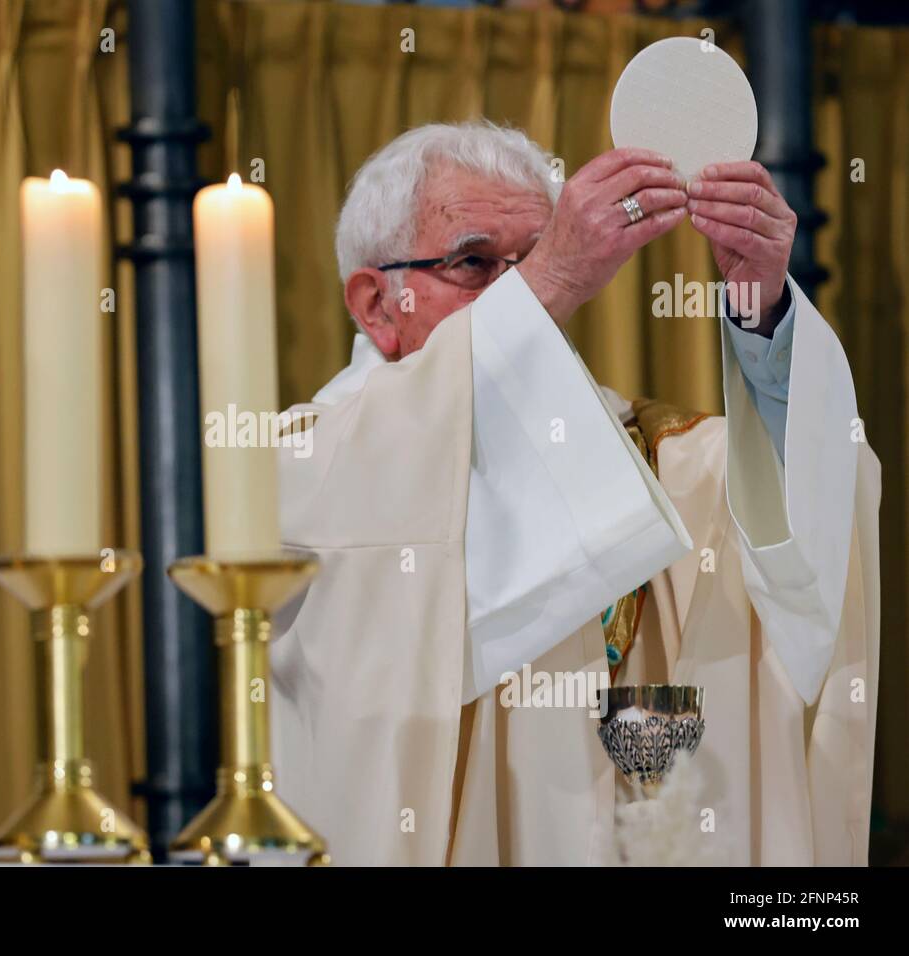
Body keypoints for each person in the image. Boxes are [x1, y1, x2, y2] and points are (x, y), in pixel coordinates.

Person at [270, 121, 880, 866]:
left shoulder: (657, 452)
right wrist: (551, 276)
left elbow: (811, 503)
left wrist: (763, 319)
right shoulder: (312, 461)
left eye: (534, 259)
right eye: (474, 262)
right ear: (374, 303)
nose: (523, 294)